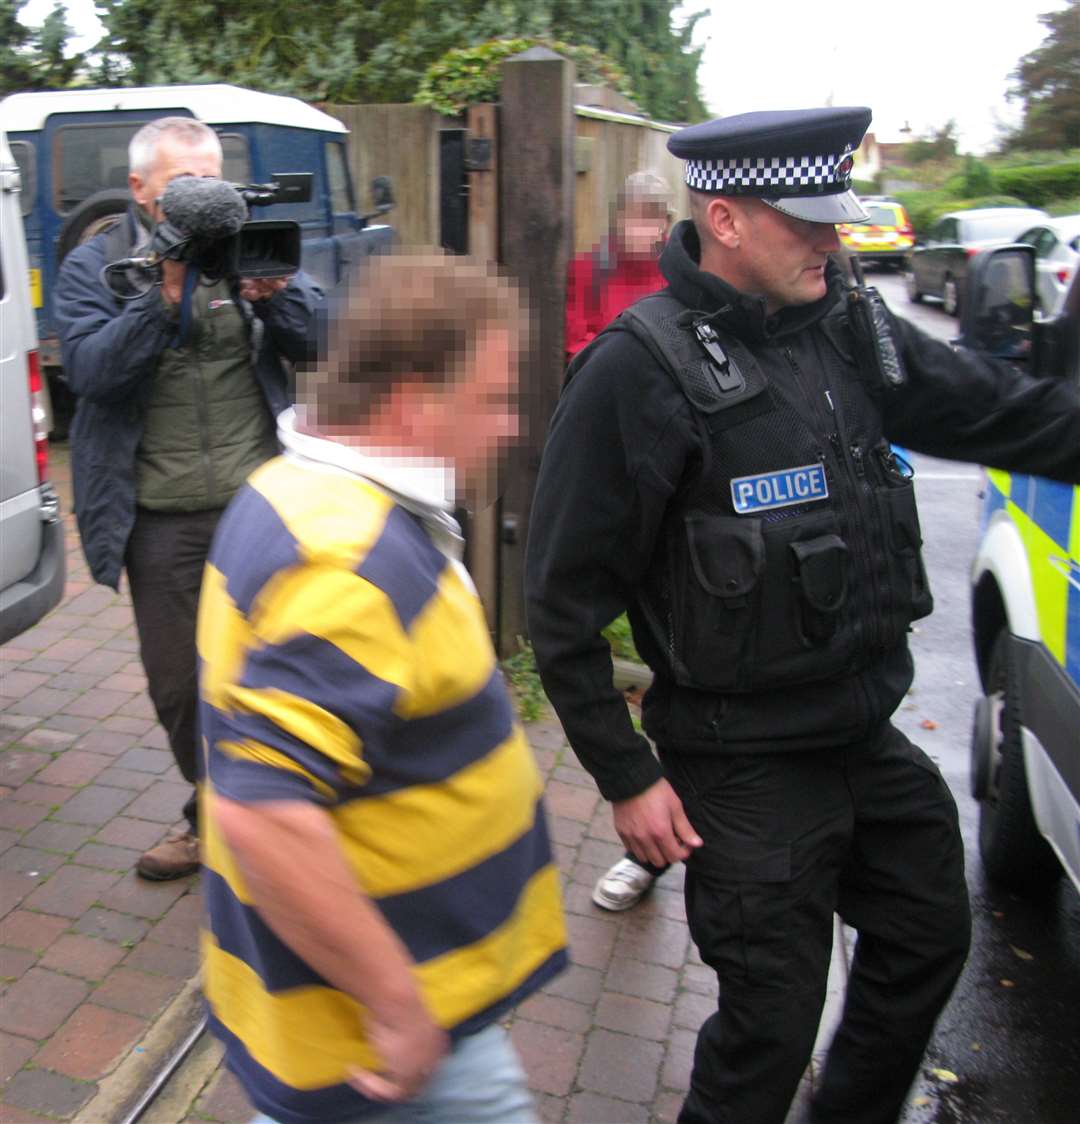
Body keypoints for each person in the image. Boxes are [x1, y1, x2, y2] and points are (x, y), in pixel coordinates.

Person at [525, 107, 1080, 1124]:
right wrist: (627, 773)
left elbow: (996, 408)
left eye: (836, 217)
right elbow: (559, 603)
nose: (835, 238)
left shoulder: (847, 325)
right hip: (742, 762)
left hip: (860, 735)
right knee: (768, 1026)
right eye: (809, 221)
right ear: (727, 218)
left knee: (925, 933)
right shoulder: (635, 372)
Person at [197, 250, 568, 1124]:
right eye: (493, 398)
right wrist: (397, 1004)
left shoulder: (290, 488)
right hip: (385, 1024)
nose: (509, 426)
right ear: (413, 399)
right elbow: (262, 811)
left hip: (356, 1009)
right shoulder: (353, 564)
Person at [54, 117, 322, 881]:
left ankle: (249, 825)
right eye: (182, 185)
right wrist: (163, 290)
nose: (205, 200)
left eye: (216, 182)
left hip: (257, 510)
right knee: (181, 689)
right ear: (139, 190)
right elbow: (93, 374)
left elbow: (323, 342)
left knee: (273, 677)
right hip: (160, 518)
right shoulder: (97, 263)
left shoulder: (252, 248)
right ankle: (218, 808)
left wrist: (275, 300)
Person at [565, 170, 671, 359]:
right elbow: (578, 346)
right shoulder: (588, 269)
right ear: (618, 220)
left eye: (649, 218)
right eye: (631, 216)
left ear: (665, 224)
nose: (638, 228)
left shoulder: (679, 270)